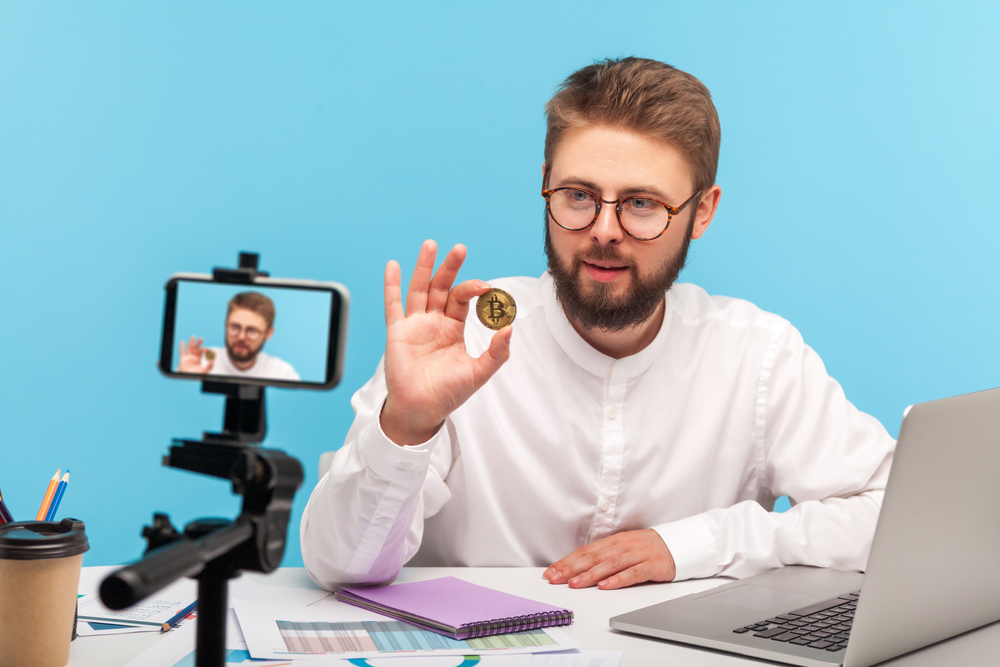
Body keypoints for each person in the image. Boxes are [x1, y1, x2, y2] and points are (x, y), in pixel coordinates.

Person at [300, 57, 894, 592]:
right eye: (579, 194)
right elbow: (343, 567)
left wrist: (696, 545)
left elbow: (898, 515)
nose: (604, 229)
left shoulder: (758, 354)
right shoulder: (461, 339)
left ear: (702, 212)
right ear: (545, 186)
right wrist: (406, 424)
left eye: (642, 204)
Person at [178, 291, 300, 381]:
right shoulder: (202, 361)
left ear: (268, 334)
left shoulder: (282, 373)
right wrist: (184, 376)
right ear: (226, 325)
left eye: (252, 331)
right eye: (235, 327)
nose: (241, 337)